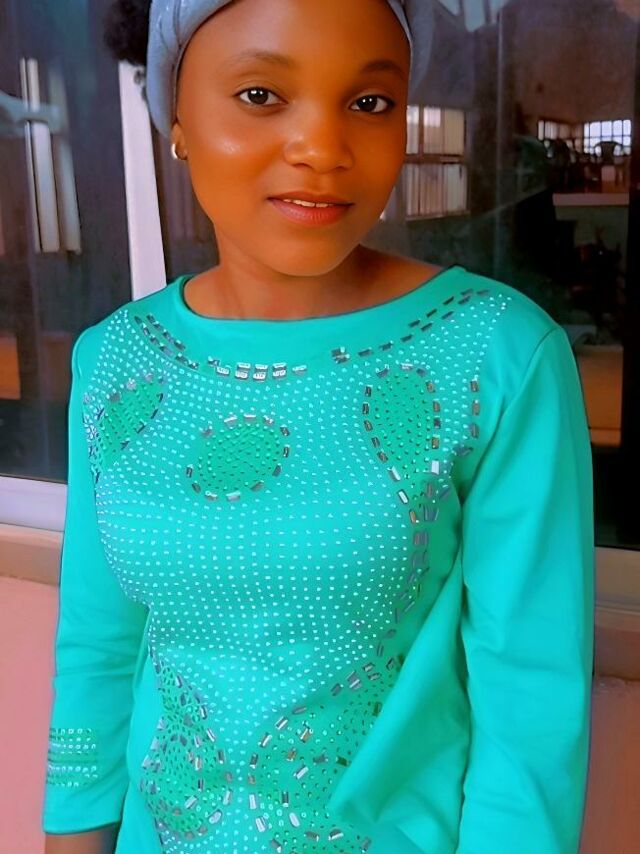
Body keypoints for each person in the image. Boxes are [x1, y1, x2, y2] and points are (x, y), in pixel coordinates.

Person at [41, 1, 595, 852]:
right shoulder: (117, 361)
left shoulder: (493, 355)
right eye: (262, 94)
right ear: (177, 119)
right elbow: (97, 649)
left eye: (369, 102)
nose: (323, 148)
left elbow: (530, 705)